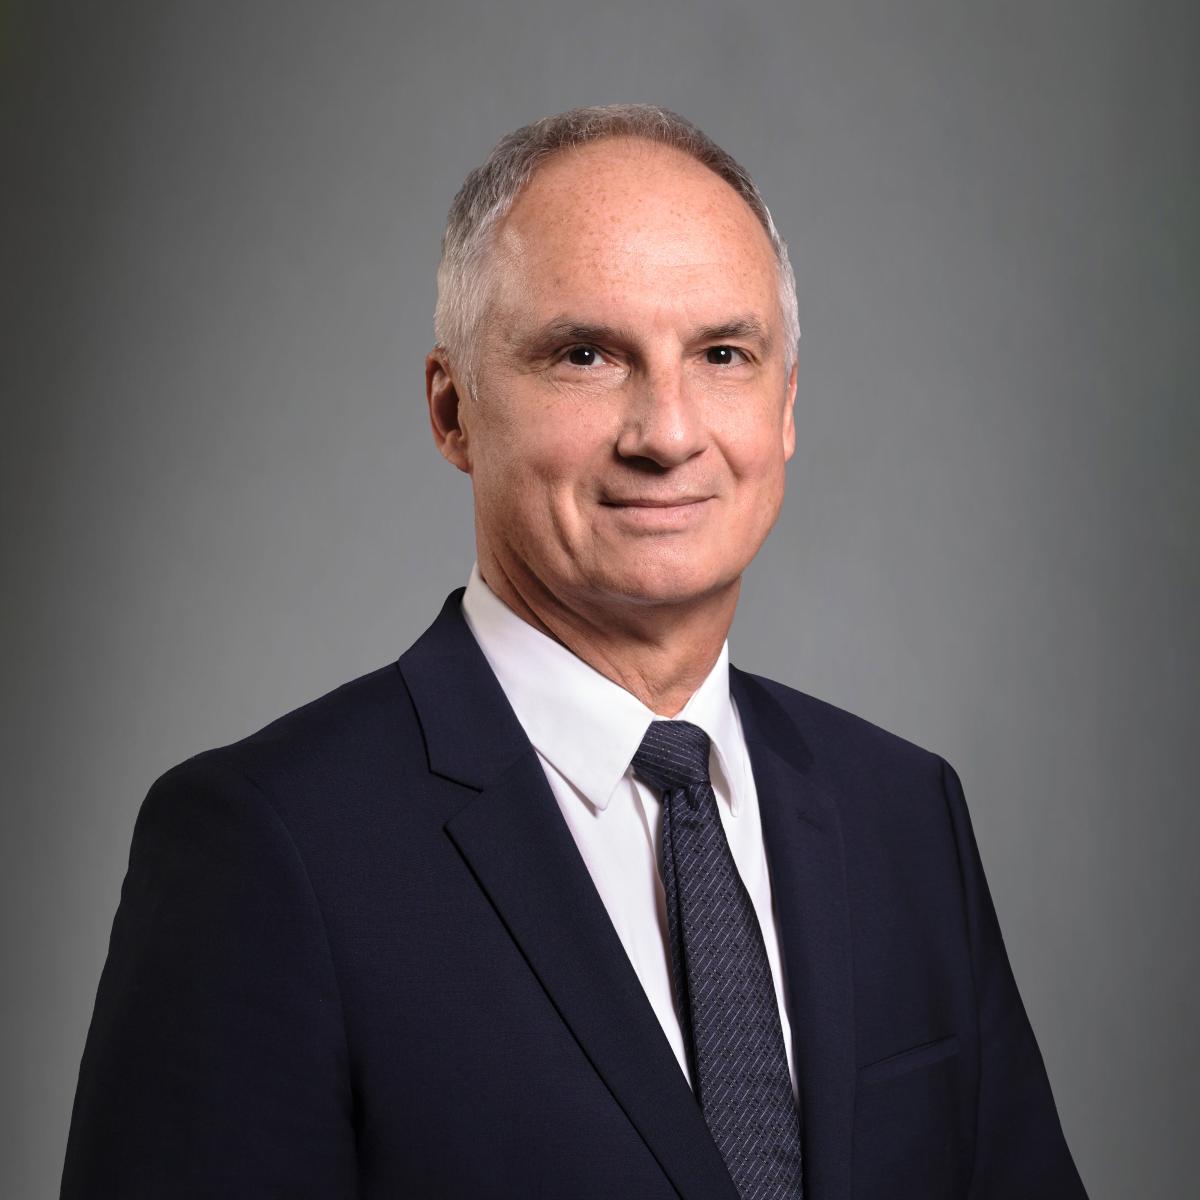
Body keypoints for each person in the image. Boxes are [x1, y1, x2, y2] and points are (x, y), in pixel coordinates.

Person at [61, 105, 1087, 1199]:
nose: (668, 433)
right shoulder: (269, 850)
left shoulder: (904, 815)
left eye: (723, 354)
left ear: (785, 406)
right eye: (586, 355)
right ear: (452, 410)